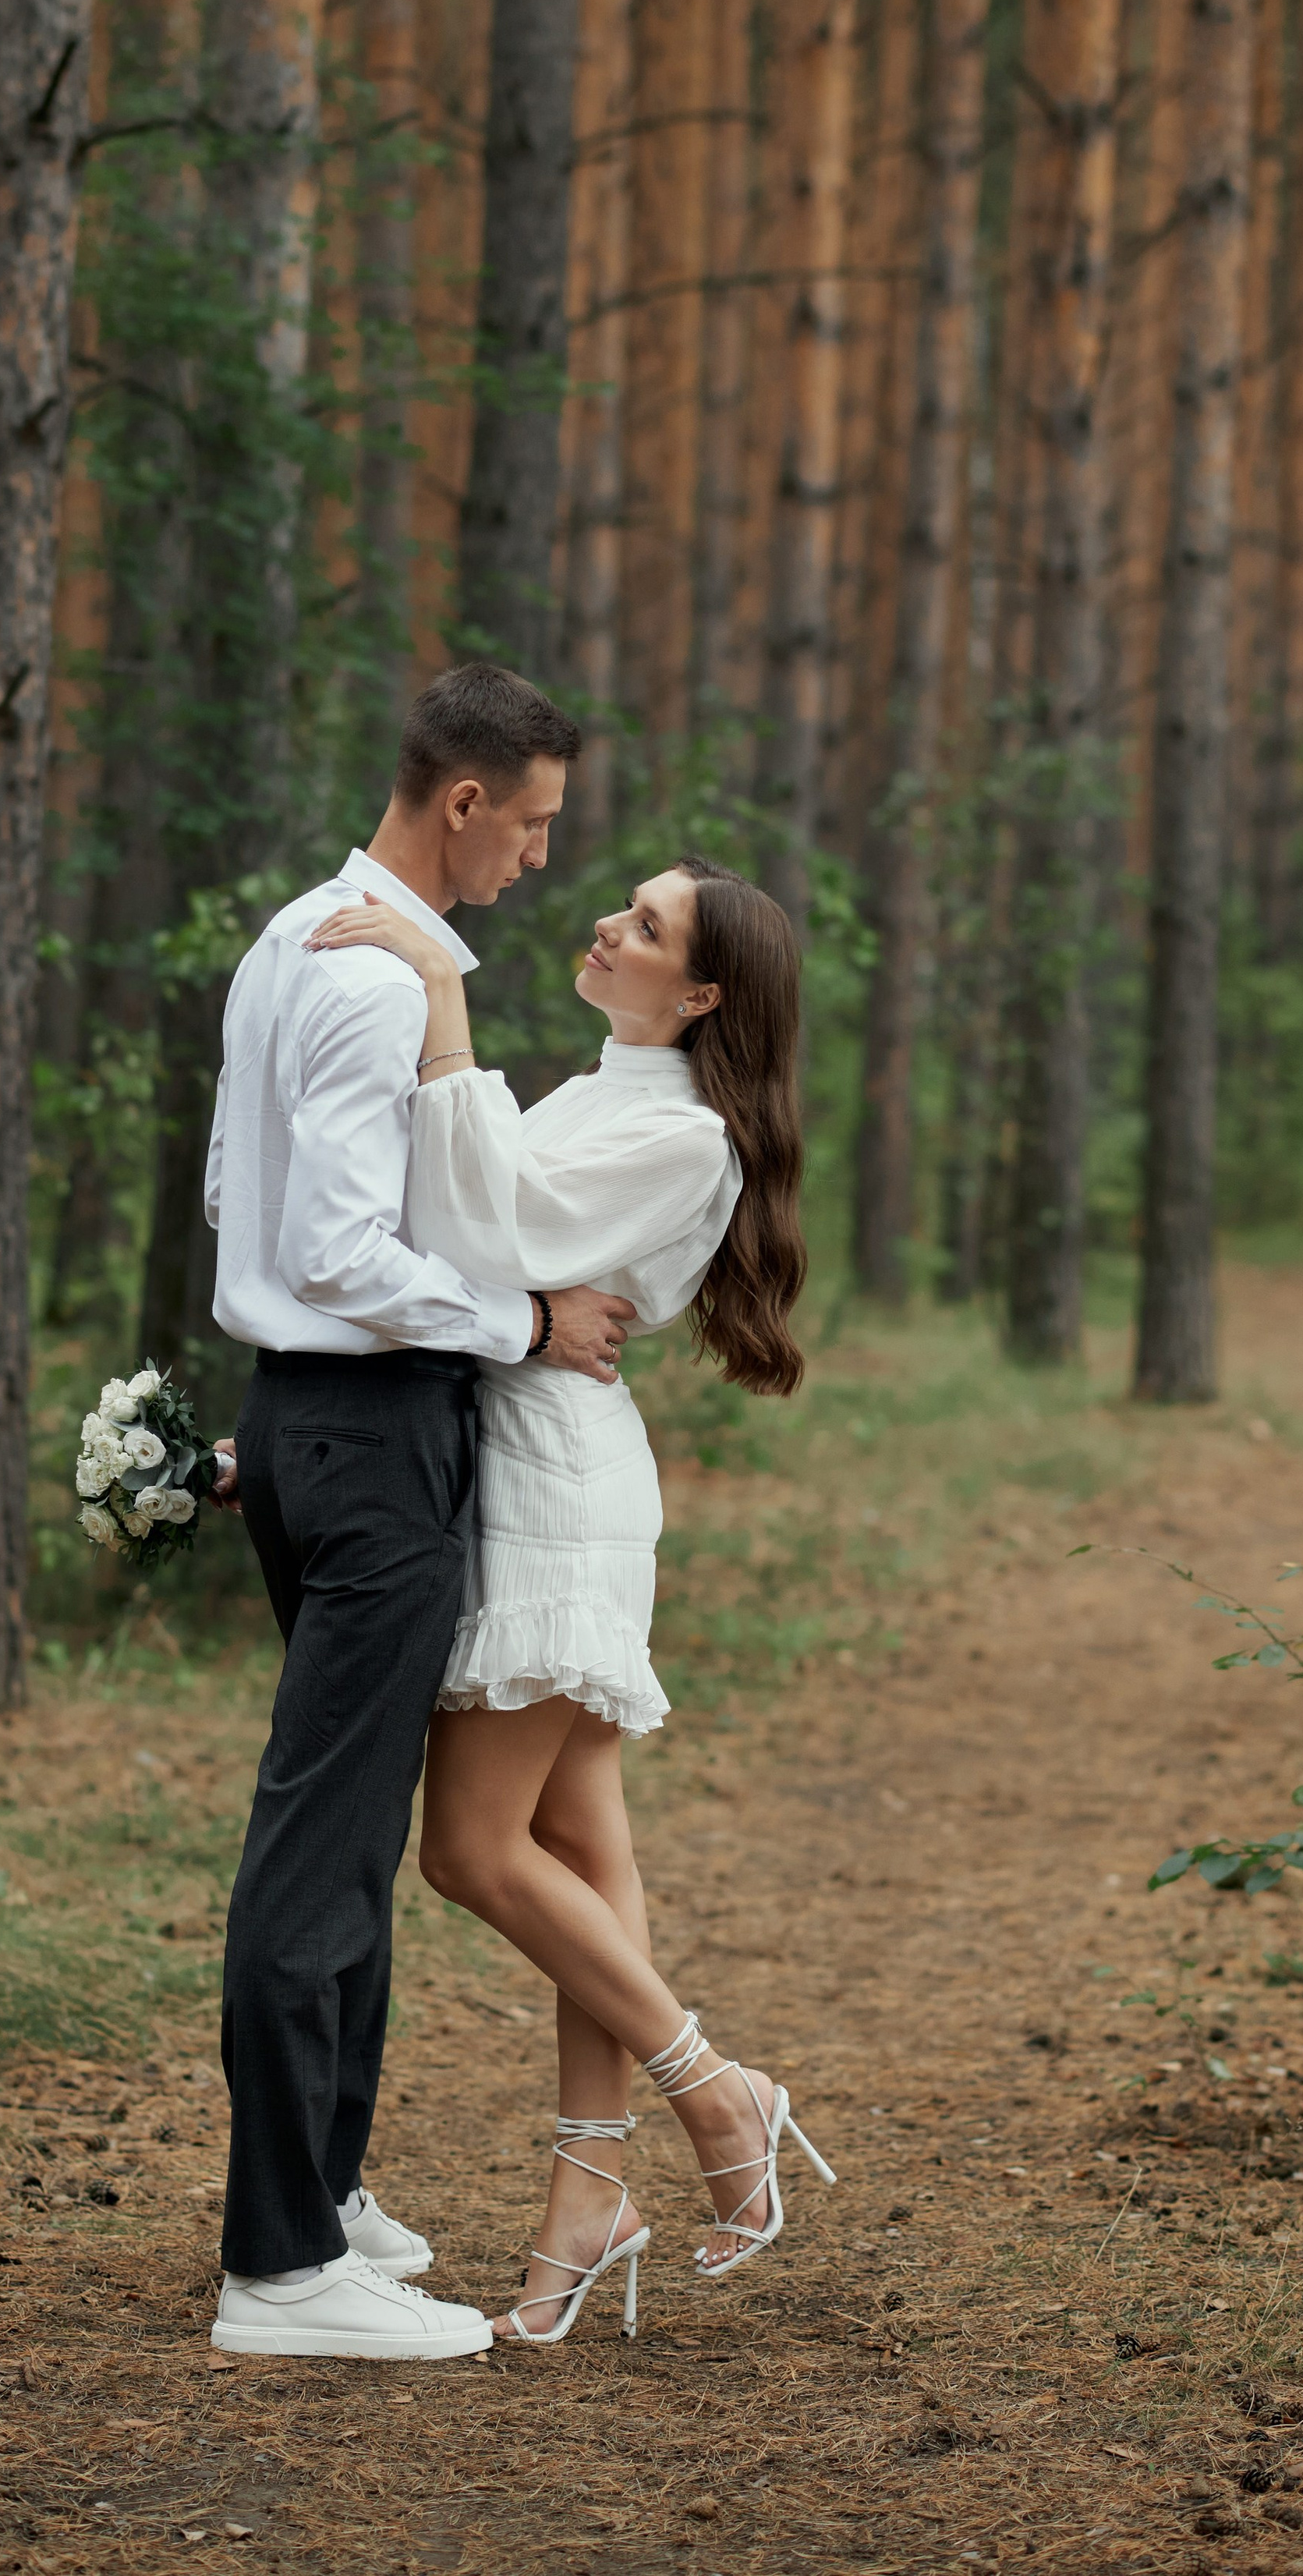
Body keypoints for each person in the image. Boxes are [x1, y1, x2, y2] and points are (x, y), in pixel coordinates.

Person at [302, 853, 834, 2345]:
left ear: (704, 992)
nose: (609, 925)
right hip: (520, 1462)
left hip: (556, 1494)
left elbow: (501, 1235)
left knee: (470, 1854)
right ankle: (588, 2187)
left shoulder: (690, 1136)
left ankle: (719, 2094)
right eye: (626, 906)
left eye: (646, 927)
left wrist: (438, 994)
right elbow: (474, 1225)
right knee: (584, 1850)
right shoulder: (610, 1092)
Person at [206, 664, 636, 2364]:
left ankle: (322, 2194)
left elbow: (252, 1198)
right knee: (320, 1849)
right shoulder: (376, 982)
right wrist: (519, 1319)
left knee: (352, 1831)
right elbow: (332, 1253)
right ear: (460, 801)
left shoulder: (295, 933)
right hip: (372, 1437)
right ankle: (278, 2267)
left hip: (311, 1424)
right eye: (528, 822)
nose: (537, 856)